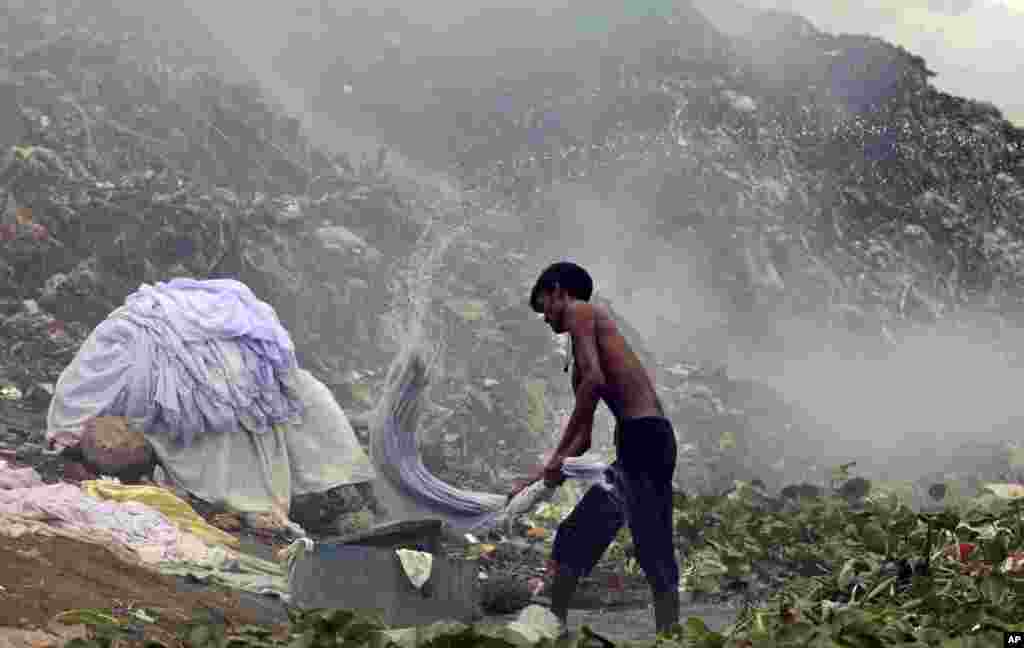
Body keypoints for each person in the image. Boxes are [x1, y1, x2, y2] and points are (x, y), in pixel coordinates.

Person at [509, 261, 680, 635]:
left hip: (645, 439)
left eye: (545, 305)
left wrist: (554, 460)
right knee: (630, 543)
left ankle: (553, 626)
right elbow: (583, 438)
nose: (547, 317)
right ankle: (668, 634)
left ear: (559, 291)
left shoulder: (581, 310)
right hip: (646, 441)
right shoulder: (580, 352)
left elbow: (595, 384)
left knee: (616, 540)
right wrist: (539, 478)